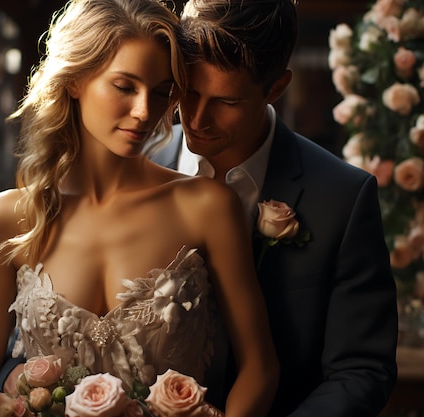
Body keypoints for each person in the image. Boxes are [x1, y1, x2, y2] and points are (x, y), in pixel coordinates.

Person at [0, 0, 279, 416]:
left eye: (163, 92)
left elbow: (259, 366)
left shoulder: (206, 207)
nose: (145, 111)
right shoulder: (2, 221)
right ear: (76, 79)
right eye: (125, 86)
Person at [149, 0, 399, 416]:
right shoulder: (128, 164)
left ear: (276, 87)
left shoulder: (342, 197)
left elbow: (361, 370)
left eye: (226, 102)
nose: (196, 119)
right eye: (187, 91)